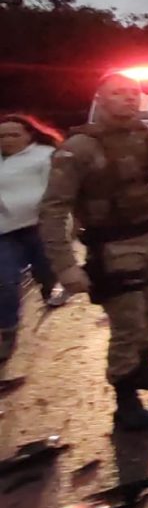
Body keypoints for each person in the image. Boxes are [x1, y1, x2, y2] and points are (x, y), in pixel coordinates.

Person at [39, 71, 148, 431]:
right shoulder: (79, 149)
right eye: (119, 93)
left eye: (134, 93)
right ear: (100, 99)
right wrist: (65, 266)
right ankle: (125, 399)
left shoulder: (144, 138)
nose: (129, 99)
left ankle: (144, 368)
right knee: (128, 324)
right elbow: (54, 209)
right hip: (114, 245)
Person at [0, 115, 68, 362]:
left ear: (29, 135)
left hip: (37, 226)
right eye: (2, 136)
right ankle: (7, 332)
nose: (7, 140)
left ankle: (50, 287)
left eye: (14, 135)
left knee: (46, 268)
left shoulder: (44, 156)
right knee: (6, 282)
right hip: (4, 232)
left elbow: (55, 191)